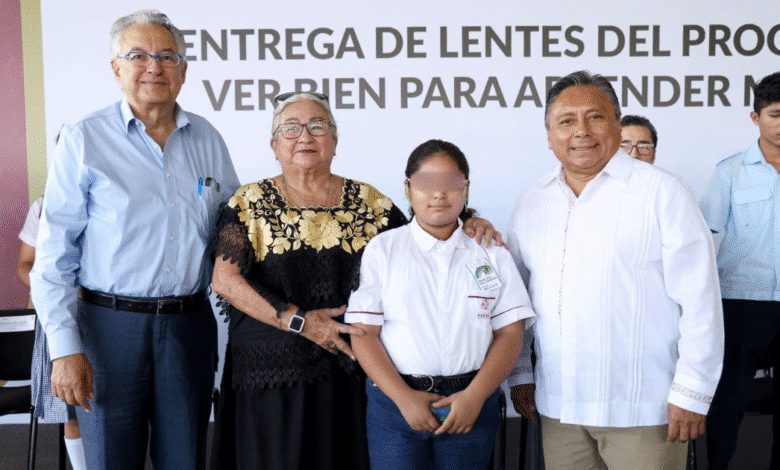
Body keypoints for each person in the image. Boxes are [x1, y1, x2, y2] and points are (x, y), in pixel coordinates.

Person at [209, 94, 501, 470]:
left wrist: (471, 223)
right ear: (274, 146)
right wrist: (301, 321)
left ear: (334, 141)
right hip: (271, 376)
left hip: (350, 370)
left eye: (318, 126)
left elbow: (425, 234)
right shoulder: (247, 201)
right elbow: (225, 280)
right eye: (291, 128)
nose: (305, 137)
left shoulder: (371, 204)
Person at [29, 10, 240, 470]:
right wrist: (65, 348)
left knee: (185, 458)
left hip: (188, 327)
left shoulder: (208, 139)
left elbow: (234, 230)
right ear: (116, 69)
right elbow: (54, 254)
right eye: (138, 55)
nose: (154, 67)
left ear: (183, 70)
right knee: (109, 460)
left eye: (167, 56)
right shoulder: (85, 139)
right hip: (107, 329)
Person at [506, 70, 724, 470]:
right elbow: (518, 301)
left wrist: (693, 392)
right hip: (560, 406)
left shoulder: (662, 191)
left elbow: (700, 301)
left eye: (596, 117)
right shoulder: (532, 201)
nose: (581, 132)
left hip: (646, 408)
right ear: (550, 135)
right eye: (566, 121)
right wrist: (520, 375)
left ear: (617, 124)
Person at [345, 139, 535, 470]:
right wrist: (403, 398)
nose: (438, 194)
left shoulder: (491, 252)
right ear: (408, 189)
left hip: (471, 401)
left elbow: (511, 333)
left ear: (466, 188)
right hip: (396, 403)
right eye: (425, 184)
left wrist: (474, 397)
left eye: (450, 184)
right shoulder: (384, 250)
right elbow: (363, 333)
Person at [700, 70, 780, 470]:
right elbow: (701, 240)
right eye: (776, 114)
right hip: (742, 302)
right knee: (727, 400)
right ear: (756, 117)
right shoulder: (729, 172)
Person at [16, 196, 87, 470]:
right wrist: (45, 285)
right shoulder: (44, 205)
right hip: (61, 315)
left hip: (110, 312)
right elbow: (25, 263)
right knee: (71, 409)